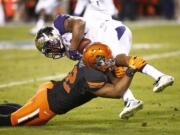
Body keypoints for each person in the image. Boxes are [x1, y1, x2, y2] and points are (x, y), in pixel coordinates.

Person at [35, 9, 174, 119]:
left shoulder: (60, 24)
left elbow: (79, 23)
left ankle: (160, 76)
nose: (52, 51)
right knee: (108, 69)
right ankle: (130, 100)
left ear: (53, 37)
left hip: (110, 31)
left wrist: (73, 47)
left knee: (120, 58)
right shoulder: (67, 51)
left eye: (50, 47)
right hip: (102, 45)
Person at [0, 43, 143, 126]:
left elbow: (116, 60)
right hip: (46, 106)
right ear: (95, 62)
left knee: (21, 110)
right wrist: (131, 70)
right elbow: (117, 91)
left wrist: (130, 60)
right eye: (104, 60)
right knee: (11, 121)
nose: (108, 61)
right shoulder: (92, 76)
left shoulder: (89, 63)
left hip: (50, 91)